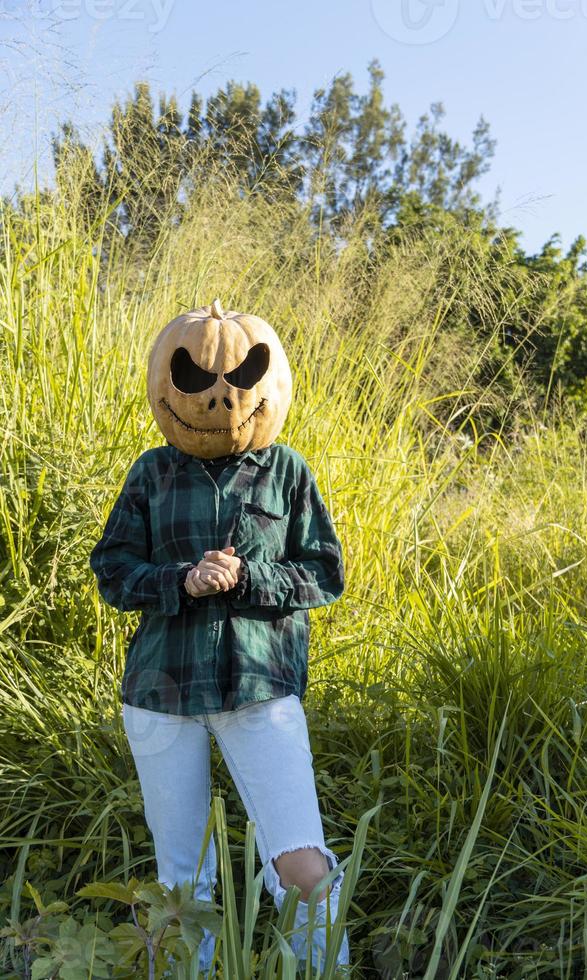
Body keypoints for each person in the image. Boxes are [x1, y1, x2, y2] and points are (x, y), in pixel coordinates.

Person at [89, 298, 351, 977]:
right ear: (166, 384)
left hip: (260, 689)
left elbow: (325, 573)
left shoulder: (287, 470)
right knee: (181, 885)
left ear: (269, 382)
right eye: (196, 377)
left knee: (302, 868)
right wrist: (181, 580)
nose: (219, 396)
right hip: (159, 693)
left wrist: (247, 578)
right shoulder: (151, 472)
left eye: (241, 375)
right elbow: (112, 573)